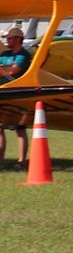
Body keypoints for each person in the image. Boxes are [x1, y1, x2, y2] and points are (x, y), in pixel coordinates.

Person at [2, 26, 29, 165]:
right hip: (3, 93)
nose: (7, 40)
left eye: (10, 38)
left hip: (19, 95)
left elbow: (13, 71)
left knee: (20, 128)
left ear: (18, 39)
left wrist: (4, 69)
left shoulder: (24, 55)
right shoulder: (4, 54)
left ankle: (21, 161)